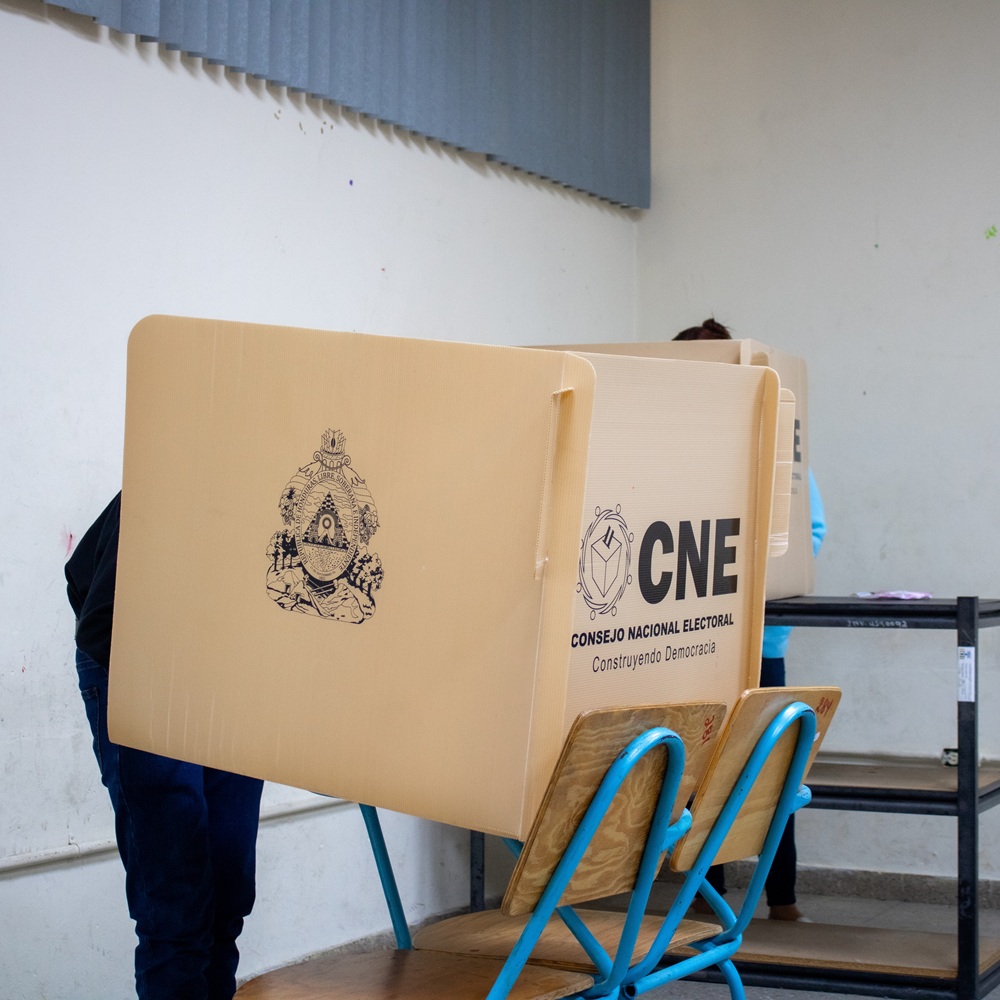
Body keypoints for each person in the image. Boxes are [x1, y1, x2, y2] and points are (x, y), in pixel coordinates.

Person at [67, 492, 264, 1000]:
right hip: (135, 661)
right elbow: (94, 610)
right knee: (176, 899)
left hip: (223, 668)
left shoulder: (282, 493)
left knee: (227, 889)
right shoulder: (176, 476)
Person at [673, 319, 827, 921]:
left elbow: (809, 533)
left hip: (759, 640)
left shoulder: (774, 444)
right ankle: (702, 903)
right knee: (697, 779)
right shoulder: (677, 449)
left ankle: (782, 900)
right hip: (687, 644)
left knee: (768, 776)